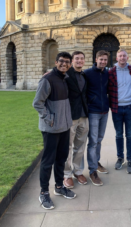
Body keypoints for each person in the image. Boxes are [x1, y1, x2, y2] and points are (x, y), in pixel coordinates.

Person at [33, 52, 76, 210]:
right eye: (61, 61)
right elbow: (37, 103)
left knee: (61, 158)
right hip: (51, 128)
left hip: (64, 127)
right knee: (47, 161)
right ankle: (44, 192)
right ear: (56, 62)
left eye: (67, 62)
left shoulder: (65, 78)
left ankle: (59, 186)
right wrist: (49, 118)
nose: (64, 64)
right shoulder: (47, 79)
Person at [63, 51, 89, 188]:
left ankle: (78, 171)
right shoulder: (66, 74)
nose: (79, 60)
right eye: (77, 58)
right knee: (67, 147)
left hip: (84, 116)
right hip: (71, 117)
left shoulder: (84, 75)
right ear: (72, 60)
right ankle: (66, 175)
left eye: (82, 58)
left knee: (80, 146)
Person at [108, 49, 131, 174]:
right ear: (116, 58)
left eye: (124, 56)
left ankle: (130, 160)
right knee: (119, 134)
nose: (122, 58)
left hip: (130, 107)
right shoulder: (111, 72)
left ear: (127, 57)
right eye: (120, 56)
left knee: (129, 135)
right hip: (116, 107)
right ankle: (120, 158)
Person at [85, 50, 110, 186]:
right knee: (93, 141)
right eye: (101, 59)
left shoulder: (107, 73)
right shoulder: (88, 73)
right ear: (96, 59)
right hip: (93, 111)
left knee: (99, 140)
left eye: (105, 60)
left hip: (104, 111)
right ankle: (92, 170)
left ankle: (96, 162)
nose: (103, 62)